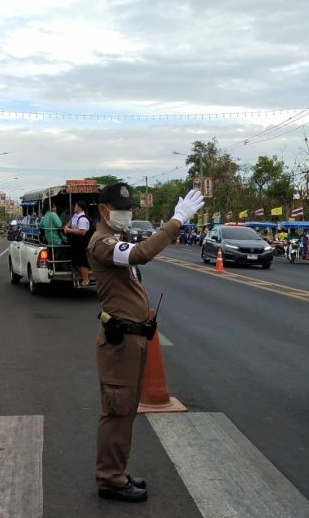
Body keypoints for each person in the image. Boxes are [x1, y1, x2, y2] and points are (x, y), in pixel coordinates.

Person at [88, 183, 205, 503]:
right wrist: (176, 220)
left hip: (132, 339)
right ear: (104, 211)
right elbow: (142, 254)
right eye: (121, 209)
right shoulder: (101, 243)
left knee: (125, 410)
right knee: (117, 410)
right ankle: (110, 478)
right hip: (119, 342)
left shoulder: (116, 239)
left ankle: (117, 472)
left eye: (130, 209)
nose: (126, 214)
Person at [64, 200, 92, 285]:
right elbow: (69, 224)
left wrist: (69, 230)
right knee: (75, 261)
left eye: (76, 205)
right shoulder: (75, 216)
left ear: (80, 207)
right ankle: (86, 275)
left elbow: (82, 232)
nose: (74, 207)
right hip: (76, 240)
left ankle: (86, 279)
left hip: (82, 241)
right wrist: (66, 227)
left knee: (82, 260)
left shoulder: (82, 218)